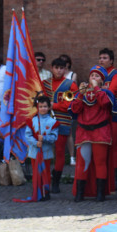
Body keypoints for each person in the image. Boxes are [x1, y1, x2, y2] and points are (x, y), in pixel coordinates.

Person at [70, 65, 117, 202]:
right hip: (84, 132)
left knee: (100, 163)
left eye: (97, 76)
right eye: (92, 76)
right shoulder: (82, 92)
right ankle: (80, 193)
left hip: (100, 132)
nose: (94, 78)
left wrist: (96, 88)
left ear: (102, 80)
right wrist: (79, 95)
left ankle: (100, 194)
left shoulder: (106, 93)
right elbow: (75, 109)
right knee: (82, 163)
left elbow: (104, 103)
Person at [42, 57, 78, 193]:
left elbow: (72, 104)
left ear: (65, 69)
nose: (59, 70)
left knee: (60, 152)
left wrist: (53, 105)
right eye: (56, 67)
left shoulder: (70, 85)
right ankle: (45, 180)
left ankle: (56, 181)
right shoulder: (44, 84)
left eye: (61, 68)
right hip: (46, 122)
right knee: (44, 151)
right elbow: (39, 100)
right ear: (51, 68)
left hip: (63, 121)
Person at [98, 48, 117, 191]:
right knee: (104, 146)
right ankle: (105, 178)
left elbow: (110, 91)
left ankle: (116, 178)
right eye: (100, 58)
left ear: (111, 60)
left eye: (105, 58)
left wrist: (97, 87)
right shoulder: (97, 74)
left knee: (114, 146)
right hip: (102, 114)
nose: (101, 60)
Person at [23, 96, 58, 201]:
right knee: (36, 172)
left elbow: (54, 137)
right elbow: (27, 135)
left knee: (46, 172)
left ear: (49, 108)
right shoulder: (32, 121)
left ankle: (46, 192)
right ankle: (37, 192)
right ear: (37, 107)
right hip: (35, 152)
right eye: (41, 106)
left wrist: (45, 138)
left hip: (46, 153)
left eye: (45, 106)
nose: (43, 108)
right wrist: (35, 142)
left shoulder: (53, 122)